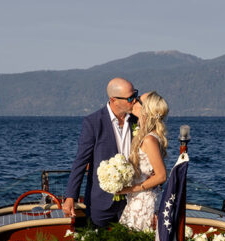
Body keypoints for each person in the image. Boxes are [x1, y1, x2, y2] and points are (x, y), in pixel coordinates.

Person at [62, 77, 139, 228]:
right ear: (114, 100)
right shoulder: (93, 122)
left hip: (133, 198)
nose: (135, 100)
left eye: (135, 94)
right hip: (101, 201)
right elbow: (81, 161)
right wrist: (71, 196)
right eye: (130, 98)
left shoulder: (138, 120)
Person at [118, 91, 168, 231]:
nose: (134, 101)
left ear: (146, 110)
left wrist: (132, 189)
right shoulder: (146, 135)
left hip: (144, 201)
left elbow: (161, 175)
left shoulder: (149, 139)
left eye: (138, 100)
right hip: (137, 198)